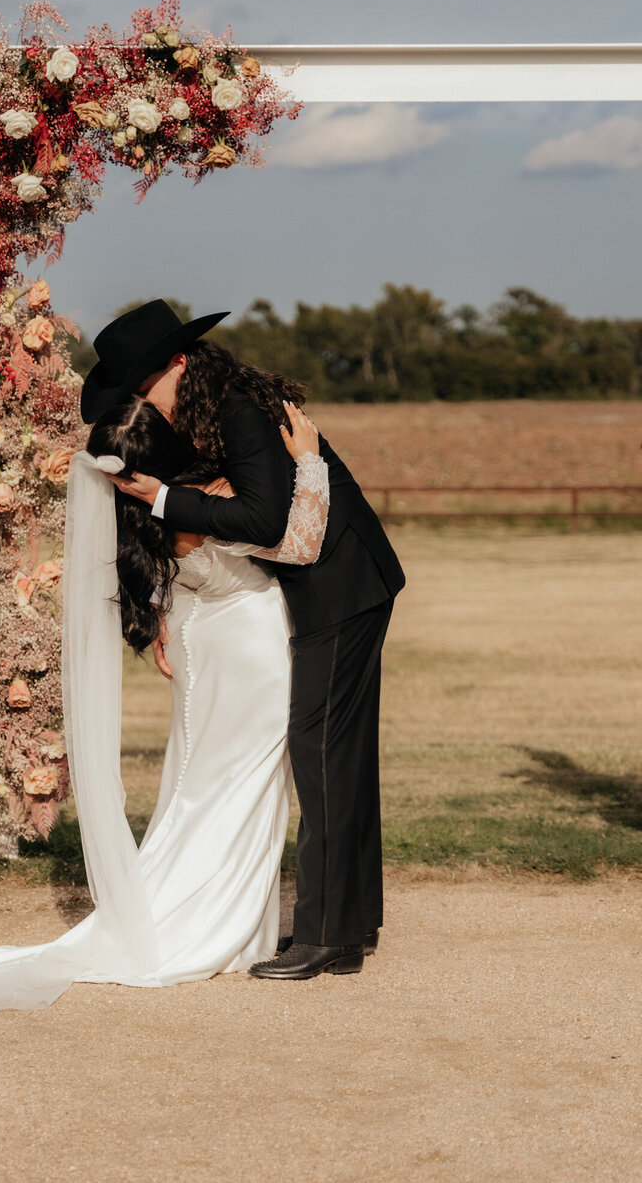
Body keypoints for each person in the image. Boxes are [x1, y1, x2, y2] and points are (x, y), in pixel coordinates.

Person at [0, 388, 329, 1011]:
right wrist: (309, 462)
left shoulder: (140, 515)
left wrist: (160, 614)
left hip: (197, 646)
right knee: (244, 787)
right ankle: (226, 930)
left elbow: (168, 580)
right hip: (251, 649)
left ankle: (215, 921)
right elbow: (298, 543)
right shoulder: (214, 500)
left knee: (199, 786)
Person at [88, 300, 407, 980]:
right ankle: (349, 928)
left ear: (178, 363)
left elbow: (263, 519)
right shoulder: (214, 407)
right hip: (340, 583)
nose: (149, 405)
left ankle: (324, 936)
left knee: (318, 751)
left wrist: (161, 499)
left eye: (147, 389)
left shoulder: (233, 407)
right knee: (337, 758)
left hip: (342, 587)